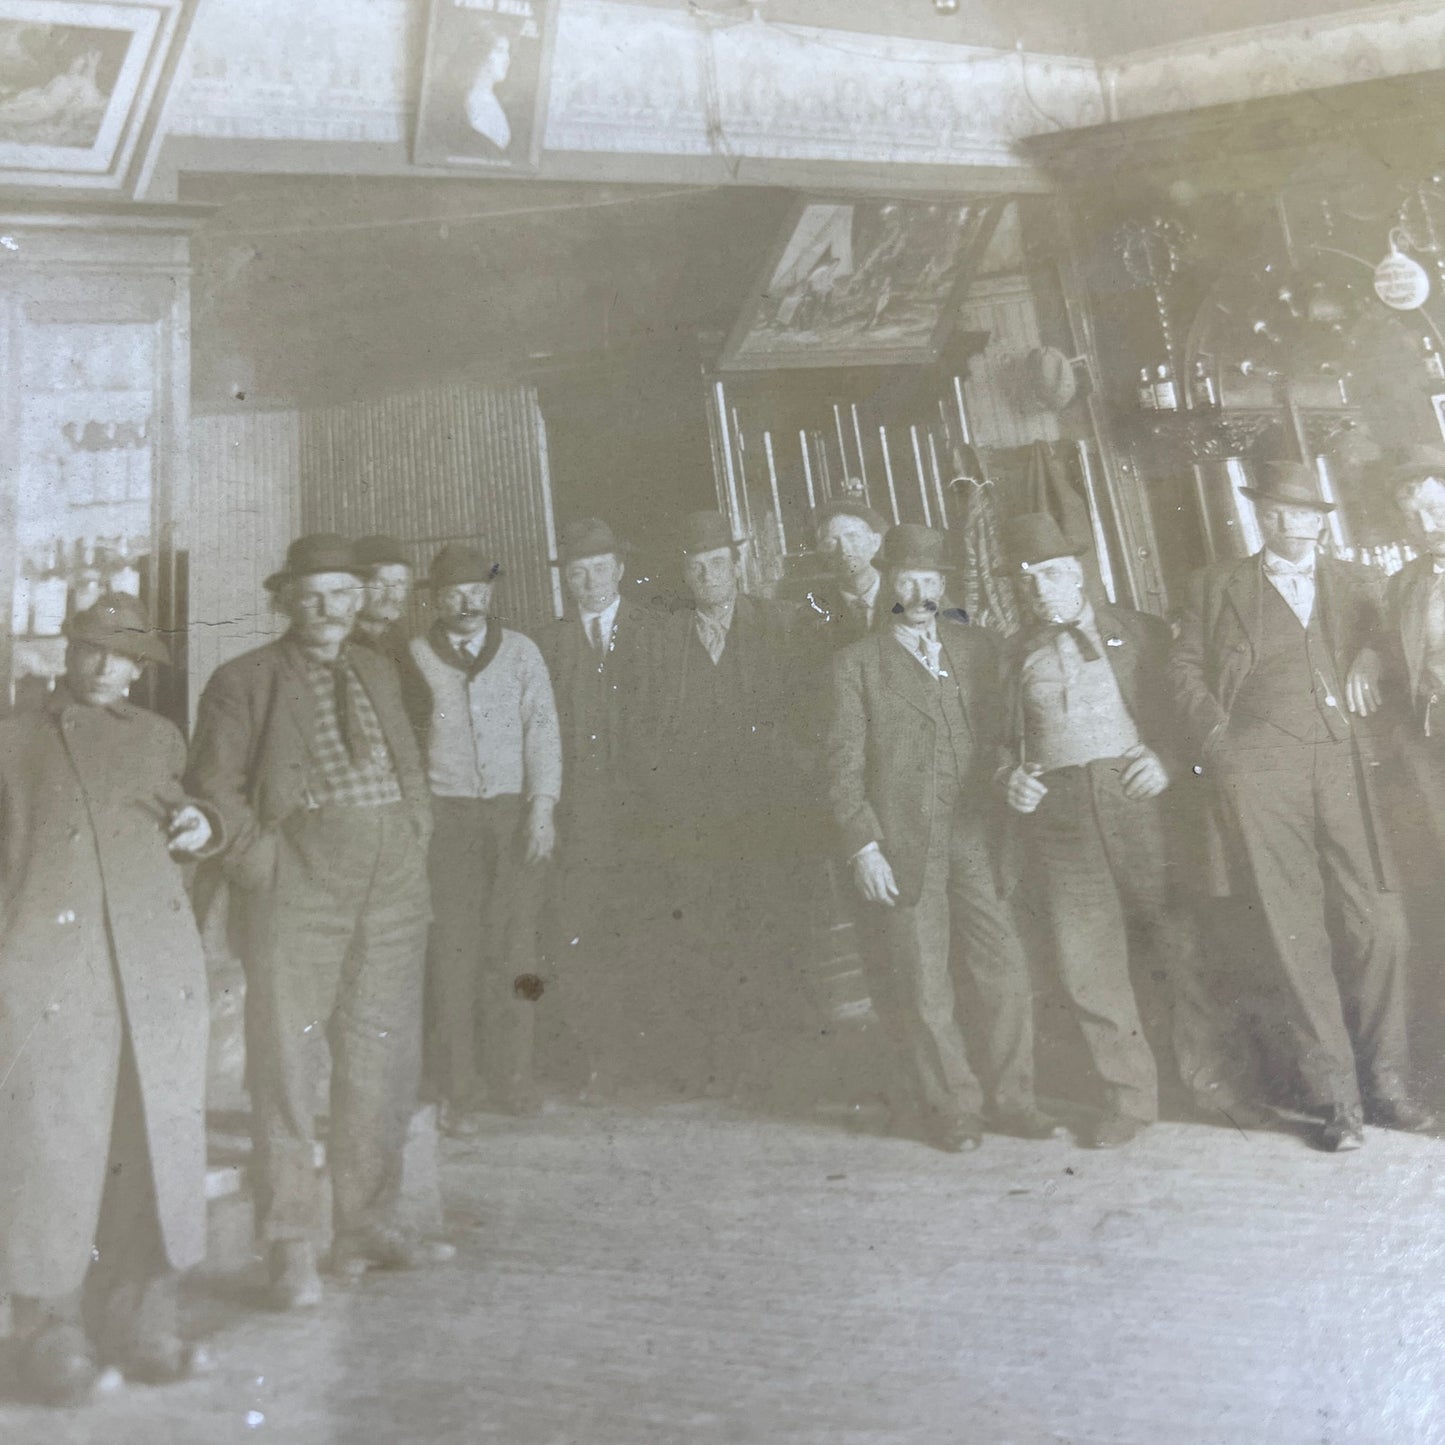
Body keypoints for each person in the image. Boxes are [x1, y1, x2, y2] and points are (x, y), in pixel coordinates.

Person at [186, 534, 447, 1311]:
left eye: (342, 592)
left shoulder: (377, 668)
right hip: (300, 890)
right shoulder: (244, 681)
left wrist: (414, 831)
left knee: (382, 1058)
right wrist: (267, 867)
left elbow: (408, 766)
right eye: (311, 594)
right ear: (285, 602)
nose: (328, 607)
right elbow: (214, 788)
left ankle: (363, 1227)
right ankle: (291, 1246)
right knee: (286, 1068)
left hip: (393, 887)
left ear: (360, 599)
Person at [1168, 463, 1433, 1152]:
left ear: (1320, 520)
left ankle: (1389, 1084)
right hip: (1259, 774)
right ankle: (1337, 1100)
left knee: (1380, 925)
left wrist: (1372, 657)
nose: (1298, 523)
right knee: (1293, 933)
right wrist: (1219, 747)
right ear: (1262, 517)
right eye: (1283, 511)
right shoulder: (1213, 587)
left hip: (1348, 768)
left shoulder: (1355, 583)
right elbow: (1182, 670)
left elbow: (1395, 641)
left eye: (1308, 511)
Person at [0, 595, 218, 1404]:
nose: (102, 667)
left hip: (150, 972)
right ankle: (47, 1333)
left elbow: (180, 832)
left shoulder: (158, 739)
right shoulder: (14, 740)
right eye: (89, 649)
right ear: (68, 650)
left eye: (120, 655)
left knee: (144, 1145)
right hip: (54, 975)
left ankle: (139, 1316)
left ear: (140, 668)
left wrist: (200, 824)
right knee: (51, 1151)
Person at [827, 523, 1058, 1152]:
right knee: (924, 981)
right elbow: (841, 773)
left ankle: (1016, 1101)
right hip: (905, 846)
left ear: (943, 587)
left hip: (977, 834)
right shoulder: (856, 666)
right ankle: (955, 1108)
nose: (920, 592)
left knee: (1004, 969)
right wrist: (864, 846)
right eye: (907, 580)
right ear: (888, 588)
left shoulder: (978, 649)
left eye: (931, 581)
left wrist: (1015, 775)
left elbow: (1010, 732)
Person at [998, 514, 1216, 1147]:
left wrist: (1170, 761)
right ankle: (1130, 1100)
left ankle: (1210, 1086)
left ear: (1080, 575)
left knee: (1176, 941)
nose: (1041, 590)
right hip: (1060, 814)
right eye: (1029, 581)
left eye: (1054, 575)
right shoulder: (1012, 654)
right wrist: (1007, 776)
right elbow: (994, 745)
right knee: (1085, 958)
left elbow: (1187, 709)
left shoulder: (1137, 632)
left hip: (1136, 801)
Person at [648, 510, 811, 1100]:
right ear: (684, 574)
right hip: (697, 820)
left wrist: (791, 769)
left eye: (718, 563)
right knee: (710, 935)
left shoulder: (784, 623)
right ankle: (727, 1063)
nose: (708, 575)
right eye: (696, 567)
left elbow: (812, 714)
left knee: (776, 931)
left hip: (772, 815)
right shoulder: (664, 636)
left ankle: (787, 1069)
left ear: (736, 565)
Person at [405, 542, 561, 1132]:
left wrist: (542, 808)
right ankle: (459, 1085)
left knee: (516, 952)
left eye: (477, 591)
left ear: (491, 595)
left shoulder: (521, 653)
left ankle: (513, 1078)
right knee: (454, 955)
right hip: (448, 823)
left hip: (512, 819)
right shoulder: (416, 656)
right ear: (437, 601)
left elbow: (542, 731)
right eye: (453, 593)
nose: (467, 602)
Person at [542, 517, 663, 1101]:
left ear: (620, 570)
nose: (588, 582)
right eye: (576, 573)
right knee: (583, 942)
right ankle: (604, 1063)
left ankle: (662, 1062)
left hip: (652, 821)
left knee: (652, 936)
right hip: (582, 826)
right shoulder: (551, 645)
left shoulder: (660, 633)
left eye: (598, 569)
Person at [1346, 444, 1445, 868]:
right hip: (1433, 729)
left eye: (1435, 509)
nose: (1427, 526)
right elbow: (1392, 638)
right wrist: (1369, 655)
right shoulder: (1405, 582)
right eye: (1413, 518)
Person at [809, 499, 889, 650]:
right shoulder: (814, 611)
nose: (844, 550)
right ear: (821, 553)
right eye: (830, 543)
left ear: (875, 542)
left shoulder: (904, 594)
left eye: (853, 537)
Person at [352, 533, 415, 667]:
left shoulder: (398, 637)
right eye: (379, 583)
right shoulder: (340, 641)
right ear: (357, 586)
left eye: (399, 583)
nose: (391, 595)